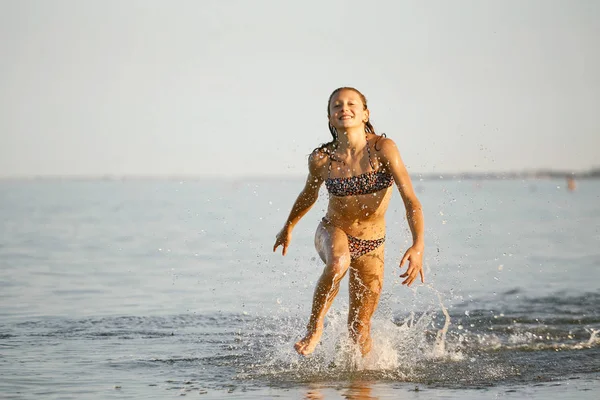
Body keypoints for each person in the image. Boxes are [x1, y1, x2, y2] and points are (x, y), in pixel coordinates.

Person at [273, 87, 425, 356]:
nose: (344, 108)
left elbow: (410, 200)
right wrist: (288, 226)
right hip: (333, 230)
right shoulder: (322, 159)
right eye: (337, 106)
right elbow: (309, 195)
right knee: (339, 262)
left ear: (365, 114)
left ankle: (362, 384)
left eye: (352, 103)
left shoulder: (383, 150)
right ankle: (314, 328)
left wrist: (417, 245)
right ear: (330, 118)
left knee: (360, 328)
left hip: (372, 244)